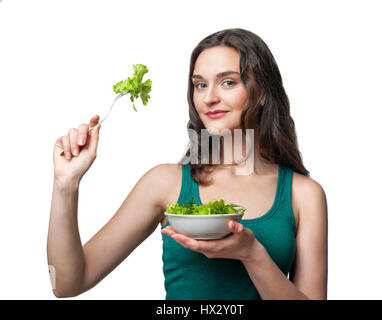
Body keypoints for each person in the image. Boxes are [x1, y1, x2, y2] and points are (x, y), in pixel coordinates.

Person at [48, 28, 328, 300]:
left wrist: (252, 254)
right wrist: (66, 185)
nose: (209, 98)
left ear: (264, 92)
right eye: (200, 84)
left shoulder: (303, 195)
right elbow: (68, 283)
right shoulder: (165, 183)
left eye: (228, 82)